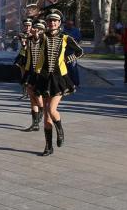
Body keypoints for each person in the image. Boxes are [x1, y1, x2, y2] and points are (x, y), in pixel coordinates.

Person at [25, 10, 84, 157]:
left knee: (51, 110)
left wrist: (66, 60)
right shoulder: (43, 36)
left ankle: (60, 130)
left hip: (59, 78)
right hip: (43, 78)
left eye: (55, 21)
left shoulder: (65, 38)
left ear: (59, 23)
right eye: (50, 21)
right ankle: (48, 147)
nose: (52, 23)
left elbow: (79, 51)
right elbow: (34, 41)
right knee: (46, 115)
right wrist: (33, 34)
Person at [21, 20, 45, 132]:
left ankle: (42, 109)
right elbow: (26, 51)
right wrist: (24, 44)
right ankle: (34, 123)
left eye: (40, 29)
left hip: (41, 72)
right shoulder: (30, 39)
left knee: (38, 95)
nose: (38, 31)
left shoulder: (45, 40)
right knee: (31, 97)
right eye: (36, 28)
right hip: (30, 70)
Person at [14, 18, 33, 100]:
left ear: (31, 26)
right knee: (24, 75)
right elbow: (23, 47)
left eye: (29, 25)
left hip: (33, 56)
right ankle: (25, 93)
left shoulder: (35, 34)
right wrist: (23, 43)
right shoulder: (21, 35)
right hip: (24, 56)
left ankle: (32, 93)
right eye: (26, 26)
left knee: (33, 75)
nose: (27, 27)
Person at [64, 19, 82, 87]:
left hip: (72, 52)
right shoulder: (62, 31)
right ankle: (66, 83)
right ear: (65, 24)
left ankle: (75, 83)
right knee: (64, 68)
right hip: (64, 51)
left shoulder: (76, 30)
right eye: (68, 24)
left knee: (73, 68)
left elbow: (79, 39)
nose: (70, 26)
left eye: (71, 24)